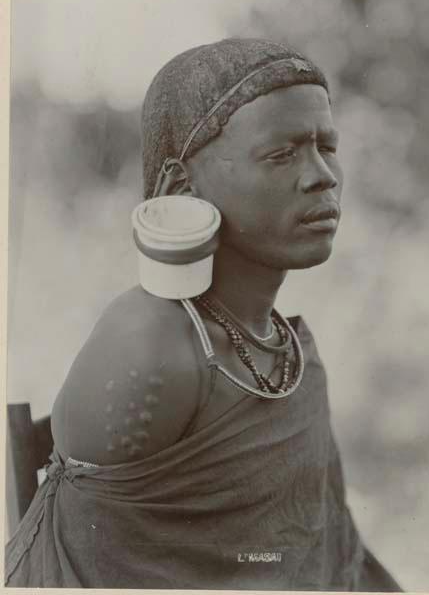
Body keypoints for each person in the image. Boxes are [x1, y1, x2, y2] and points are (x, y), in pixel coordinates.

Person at [5, 38, 402, 590]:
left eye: (326, 147)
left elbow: (333, 565)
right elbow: (66, 571)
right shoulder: (150, 345)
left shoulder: (289, 352)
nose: (322, 176)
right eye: (281, 154)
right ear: (180, 188)